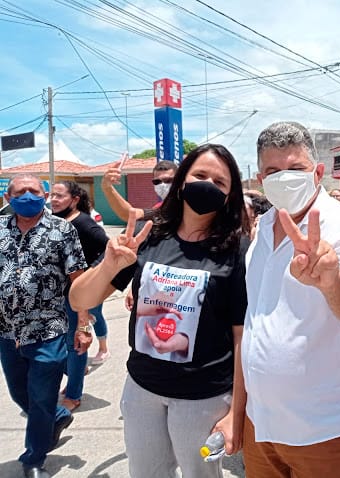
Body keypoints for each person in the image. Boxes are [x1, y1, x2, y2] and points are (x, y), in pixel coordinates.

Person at [69, 144, 248, 478]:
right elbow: (79, 300)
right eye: (200, 175)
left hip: (203, 397)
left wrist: (236, 412)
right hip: (143, 389)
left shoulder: (236, 246)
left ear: (229, 195)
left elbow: (241, 336)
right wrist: (109, 266)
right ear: (182, 181)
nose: (207, 184)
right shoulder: (150, 232)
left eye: (220, 182)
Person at [241, 121, 340, 477]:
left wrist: (332, 282)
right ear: (260, 179)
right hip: (261, 422)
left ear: (317, 172)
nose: (284, 178)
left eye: (296, 169)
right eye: (274, 171)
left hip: (322, 427)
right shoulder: (263, 227)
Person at [0, 173, 89, 478]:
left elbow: (80, 282)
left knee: (40, 396)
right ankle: (59, 414)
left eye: (34, 190)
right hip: (7, 331)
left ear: (45, 194)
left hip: (48, 330)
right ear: (8, 199)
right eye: (20, 191)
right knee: (19, 393)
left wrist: (83, 326)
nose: (28, 195)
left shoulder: (62, 230)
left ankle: (34, 458)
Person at [50, 181, 111, 412]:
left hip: (76, 295)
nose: (54, 199)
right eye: (52, 195)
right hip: (58, 295)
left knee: (76, 342)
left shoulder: (83, 222)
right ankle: (75, 377)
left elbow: (110, 248)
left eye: (60, 195)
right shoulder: (57, 222)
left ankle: (74, 394)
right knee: (62, 343)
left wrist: (91, 275)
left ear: (74, 199)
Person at [102, 159, 178, 222]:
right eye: (157, 182)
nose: (162, 185)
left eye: (168, 180)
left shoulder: (188, 202)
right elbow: (130, 215)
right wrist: (107, 187)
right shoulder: (160, 209)